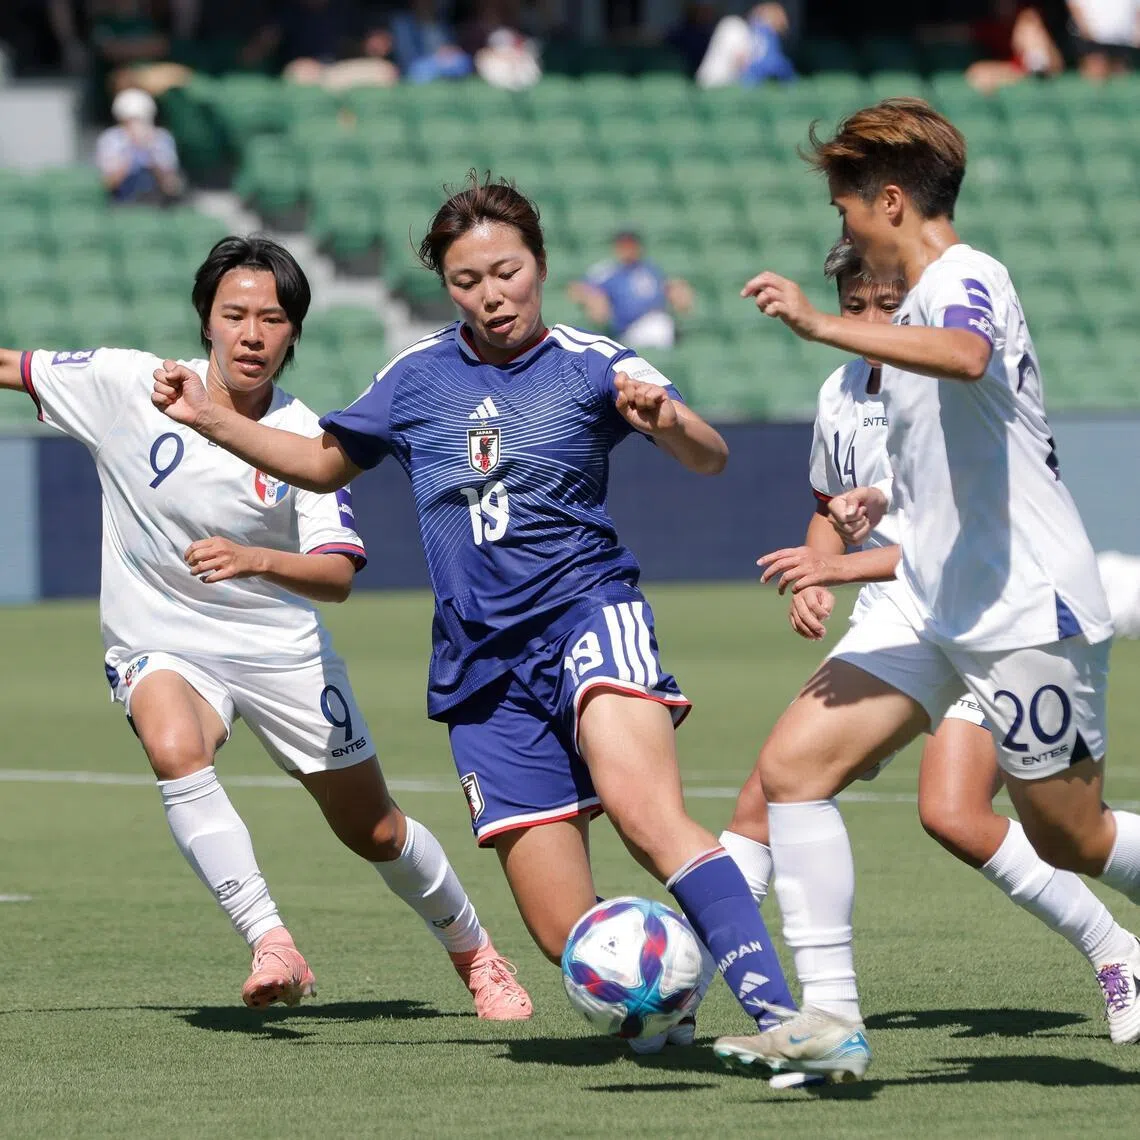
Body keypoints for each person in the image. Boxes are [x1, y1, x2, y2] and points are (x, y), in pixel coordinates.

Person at [150, 174, 802, 1055]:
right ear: (447, 287)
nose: (492, 294)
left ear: (540, 264)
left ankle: (787, 1022)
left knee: (643, 811)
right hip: (480, 667)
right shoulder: (416, 376)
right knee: (568, 939)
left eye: (507, 271)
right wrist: (210, 419)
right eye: (468, 280)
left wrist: (667, 420)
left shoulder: (594, 361)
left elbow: (711, 457)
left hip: (586, 614)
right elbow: (319, 463)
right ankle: (674, 1007)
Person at [712, 97, 1140, 1082]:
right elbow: (950, 458)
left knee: (1072, 835)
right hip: (938, 605)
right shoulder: (900, 327)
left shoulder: (965, 276)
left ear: (891, 201)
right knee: (792, 773)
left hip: (1027, 607)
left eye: (850, 210)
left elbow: (969, 355)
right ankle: (829, 1017)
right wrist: (871, 502)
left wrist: (823, 325)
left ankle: (1116, 946)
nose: (846, 230)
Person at [0, 235, 532, 1021]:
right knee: (173, 747)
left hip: (280, 651)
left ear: (294, 333)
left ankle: (477, 954)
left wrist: (255, 558)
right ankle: (270, 941)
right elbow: (12, 366)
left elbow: (340, 576)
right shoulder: (126, 384)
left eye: (272, 318)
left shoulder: (305, 438)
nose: (252, 334)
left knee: (376, 830)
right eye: (235, 314)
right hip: (162, 640)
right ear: (206, 323)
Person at [568, 231, 694, 351]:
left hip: (656, 322)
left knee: (662, 323)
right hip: (628, 330)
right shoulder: (608, 270)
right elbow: (577, 288)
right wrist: (594, 298)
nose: (628, 249)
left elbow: (669, 287)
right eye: (624, 245)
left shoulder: (650, 268)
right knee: (660, 325)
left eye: (631, 244)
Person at [95, 86, 184, 205]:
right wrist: (131, 148)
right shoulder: (111, 139)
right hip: (122, 204)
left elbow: (170, 185)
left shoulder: (161, 138)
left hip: (158, 204)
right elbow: (110, 184)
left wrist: (150, 150)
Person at [694, 2, 796, 89]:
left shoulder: (747, 32)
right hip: (715, 86)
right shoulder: (735, 26)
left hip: (723, 86)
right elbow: (742, 63)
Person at [1067, 0, 1140, 80]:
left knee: (1122, 76)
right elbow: (1074, 5)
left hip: (1125, 42)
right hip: (1093, 41)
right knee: (1096, 77)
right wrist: (1090, 42)